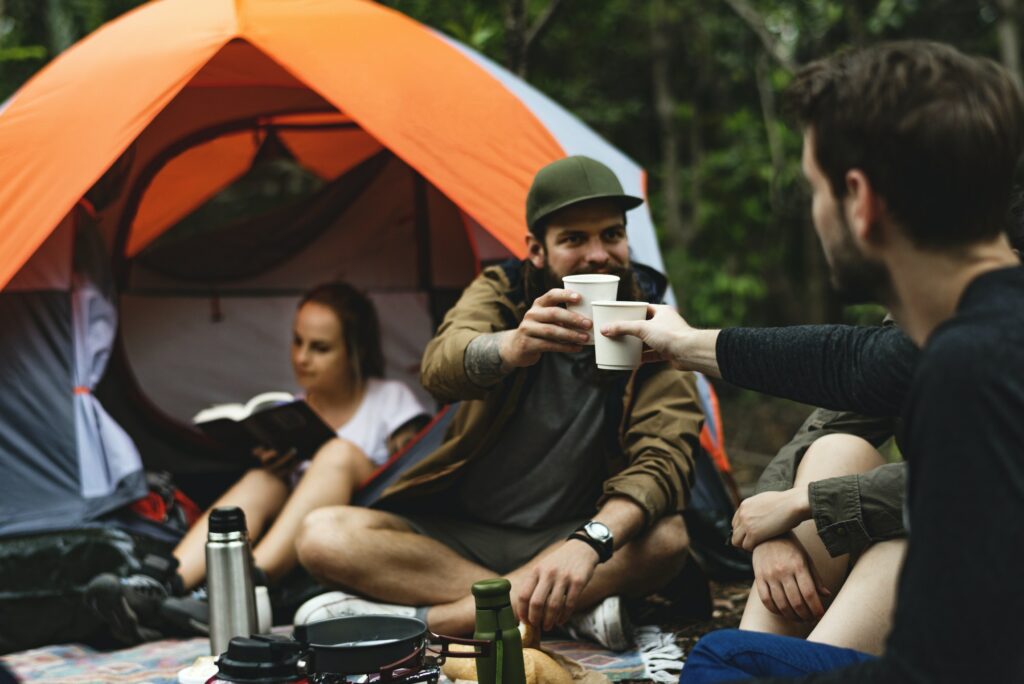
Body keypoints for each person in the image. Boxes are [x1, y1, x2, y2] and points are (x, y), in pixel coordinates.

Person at [605, 41, 1024, 681]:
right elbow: (853, 362)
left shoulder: (975, 369)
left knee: (722, 663)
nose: (815, 209)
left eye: (814, 188)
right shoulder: (980, 327)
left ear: (860, 200)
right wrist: (686, 342)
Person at [291, 156, 705, 651]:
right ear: (536, 249)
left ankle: (437, 619)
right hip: (463, 530)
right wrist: (509, 347)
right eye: (574, 239)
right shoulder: (503, 292)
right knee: (321, 534)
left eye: (611, 235)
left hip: (568, 532)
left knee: (668, 540)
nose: (599, 255)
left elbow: (663, 456)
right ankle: (565, 614)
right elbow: (439, 365)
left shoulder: (653, 318)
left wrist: (589, 541)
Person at [86, 282, 428, 644]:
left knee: (338, 453)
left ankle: (242, 589)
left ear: (354, 352)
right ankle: (159, 584)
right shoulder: (293, 408)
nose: (302, 358)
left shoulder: (391, 399)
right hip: (295, 521)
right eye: (298, 342)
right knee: (263, 479)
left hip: (358, 516)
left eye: (320, 348)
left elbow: (412, 473)